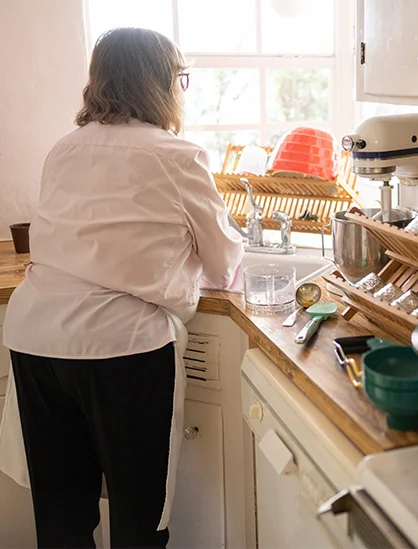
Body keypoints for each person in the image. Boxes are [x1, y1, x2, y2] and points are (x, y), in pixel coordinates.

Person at [0, 27, 243, 548]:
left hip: (37, 339)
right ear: (163, 83)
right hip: (122, 349)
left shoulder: (63, 149)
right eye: (182, 78)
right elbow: (224, 264)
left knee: (62, 521)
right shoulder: (180, 157)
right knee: (139, 519)